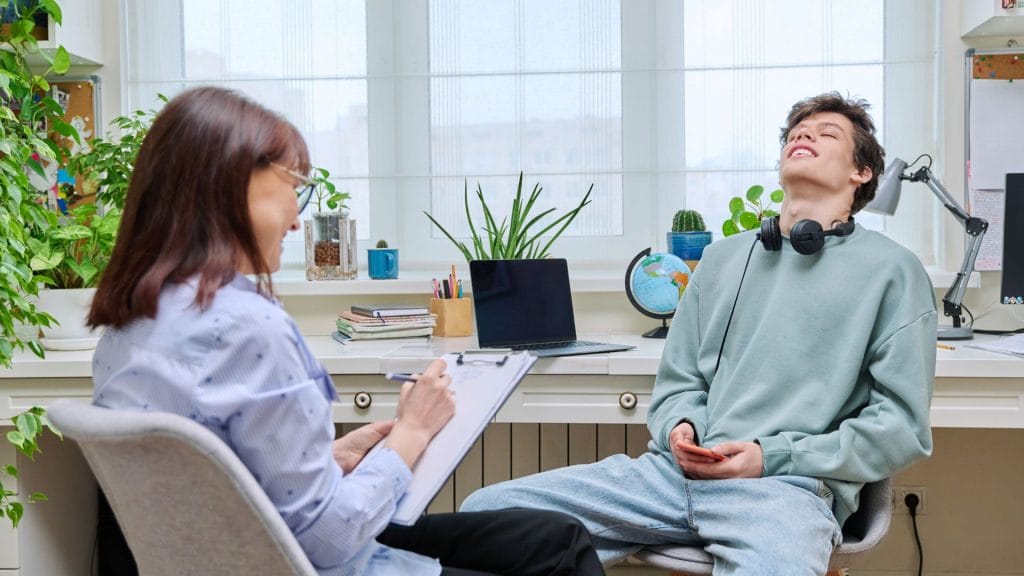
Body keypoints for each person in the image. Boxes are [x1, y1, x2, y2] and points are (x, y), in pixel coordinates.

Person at [87, 86, 604, 576]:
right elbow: (331, 536)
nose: (297, 220)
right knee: (561, 552)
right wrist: (412, 433)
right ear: (230, 183)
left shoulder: (129, 326)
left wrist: (331, 462)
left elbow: (217, 486)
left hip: (246, 551)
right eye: (294, 188)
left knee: (554, 537)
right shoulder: (250, 330)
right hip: (316, 561)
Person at [461, 92, 937, 574]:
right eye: (796, 133)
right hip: (669, 478)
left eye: (826, 133)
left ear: (862, 173)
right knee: (485, 515)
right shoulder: (722, 259)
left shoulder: (892, 272)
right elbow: (679, 383)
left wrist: (769, 457)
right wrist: (680, 428)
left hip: (784, 490)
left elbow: (901, 428)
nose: (804, 136)